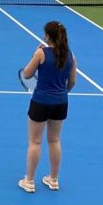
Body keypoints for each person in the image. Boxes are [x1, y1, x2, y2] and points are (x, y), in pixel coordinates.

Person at [18, 21, 76, 193]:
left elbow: (27, 74)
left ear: (48, 36)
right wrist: (61, 92)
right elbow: (72, 82)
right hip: (61, 103)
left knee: (35, 142)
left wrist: (35, 54)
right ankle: (54, 180)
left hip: (41, 102)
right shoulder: (71, 56)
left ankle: (29, 181)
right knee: (55, 140)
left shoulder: (40, 53)